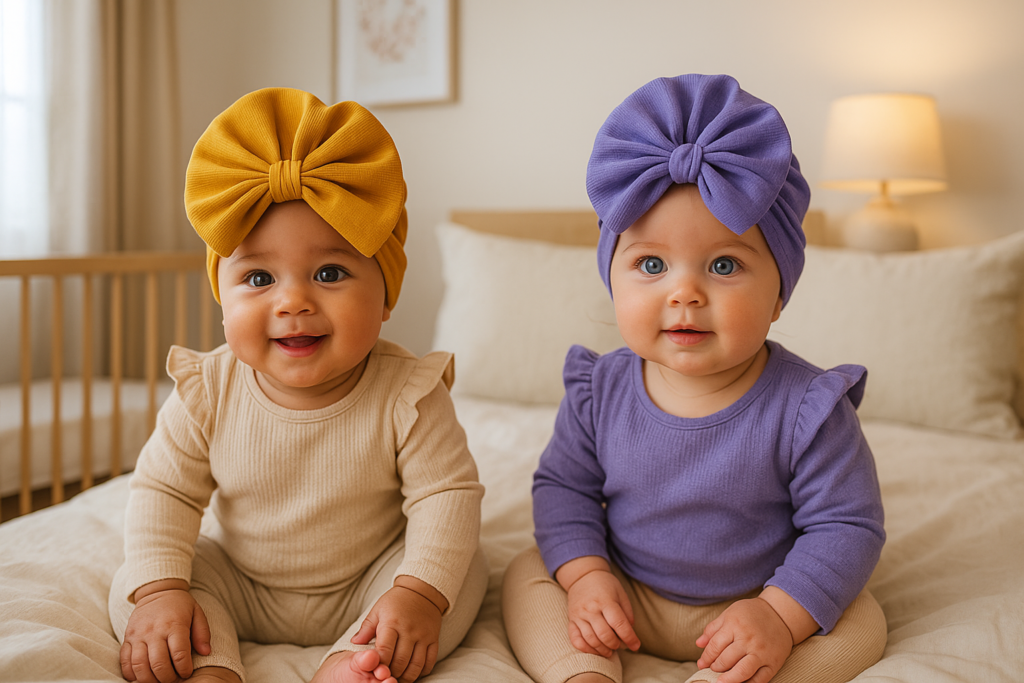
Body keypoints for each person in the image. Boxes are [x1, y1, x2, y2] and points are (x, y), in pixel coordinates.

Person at [502, 74, 887, 683]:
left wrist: (779, 616)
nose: (684, 292)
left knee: (860, 619)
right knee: (529, 574)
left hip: (759, 599)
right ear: (612, 279)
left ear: (779, 293)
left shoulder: (809, 408)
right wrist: (588, 577)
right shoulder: (598, 391)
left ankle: (731, 672)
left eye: (724, 264)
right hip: (629, 596)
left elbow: (847, 525)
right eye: (650, 264)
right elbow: (565, 489)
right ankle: (582, 673)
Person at [108, 87, 487, 683]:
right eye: (258, 277)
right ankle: (210, 663)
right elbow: (165, 492)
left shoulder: (409, 393)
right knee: (144, 578)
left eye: (330, 272)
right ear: (222, 296)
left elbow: (447, 497)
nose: (292, 302)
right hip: (241, 579)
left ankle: (351, 661)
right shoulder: (207, 390)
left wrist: (417, 592)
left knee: (458, 575)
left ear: (385, 295)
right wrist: (159, 591)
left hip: (369, 579)